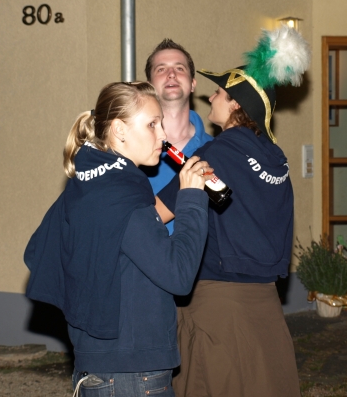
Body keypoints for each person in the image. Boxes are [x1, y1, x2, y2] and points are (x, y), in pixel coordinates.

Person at [23, 82, 212, 397]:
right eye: (152, 124)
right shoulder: (123, 197)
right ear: (119, 130)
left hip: (99, 364)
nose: (163, 135)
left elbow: (40, 253)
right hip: (131, 375)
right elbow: (179, 275)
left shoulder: (86, 186)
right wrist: (191, 198)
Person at [155, 26, 310, 397]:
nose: (211, 97)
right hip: (265, 302)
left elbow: (158, 212)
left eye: (220, 93)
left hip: (218, 304)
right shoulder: (275, 158)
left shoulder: (218, 152)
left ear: (238, 104)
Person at [142, 39, 213, 233]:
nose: (171, 74)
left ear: (193, 84)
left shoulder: (217, 151)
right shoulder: (130, 151)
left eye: (180, 68)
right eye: (161, 69)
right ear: (149, 87)